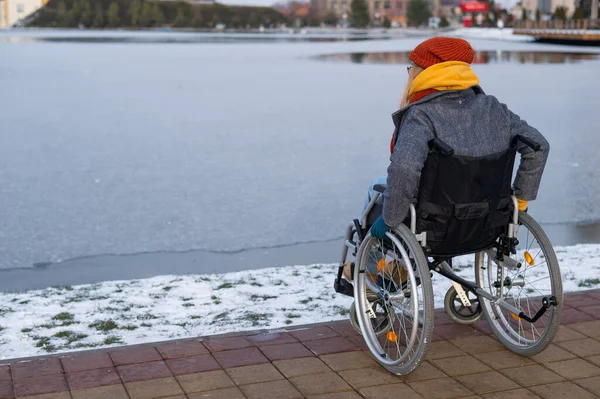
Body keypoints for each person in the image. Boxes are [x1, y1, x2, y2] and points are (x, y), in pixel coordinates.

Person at [368, 36, 549, 241]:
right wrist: (520, 201)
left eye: (412, 68)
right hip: (487, 216)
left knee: (375, 188)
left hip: (434, 222)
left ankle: (378, 268)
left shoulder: (422, 115)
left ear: (423, 72)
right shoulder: (493, 108)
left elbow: (404, 169)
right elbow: (538, 146)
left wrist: (390, 219)